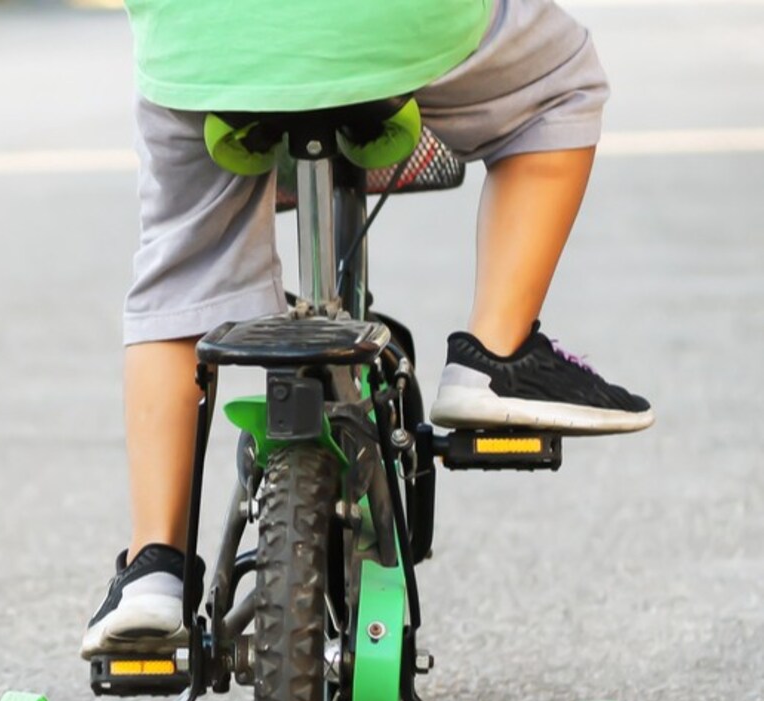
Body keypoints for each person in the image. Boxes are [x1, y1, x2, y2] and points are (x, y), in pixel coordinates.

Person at [83, 0, 654, 660]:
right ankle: (494, 356)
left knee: (179, 274)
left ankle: (154, 567)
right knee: (563, 81)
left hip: (208, 46)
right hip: (391, 26)